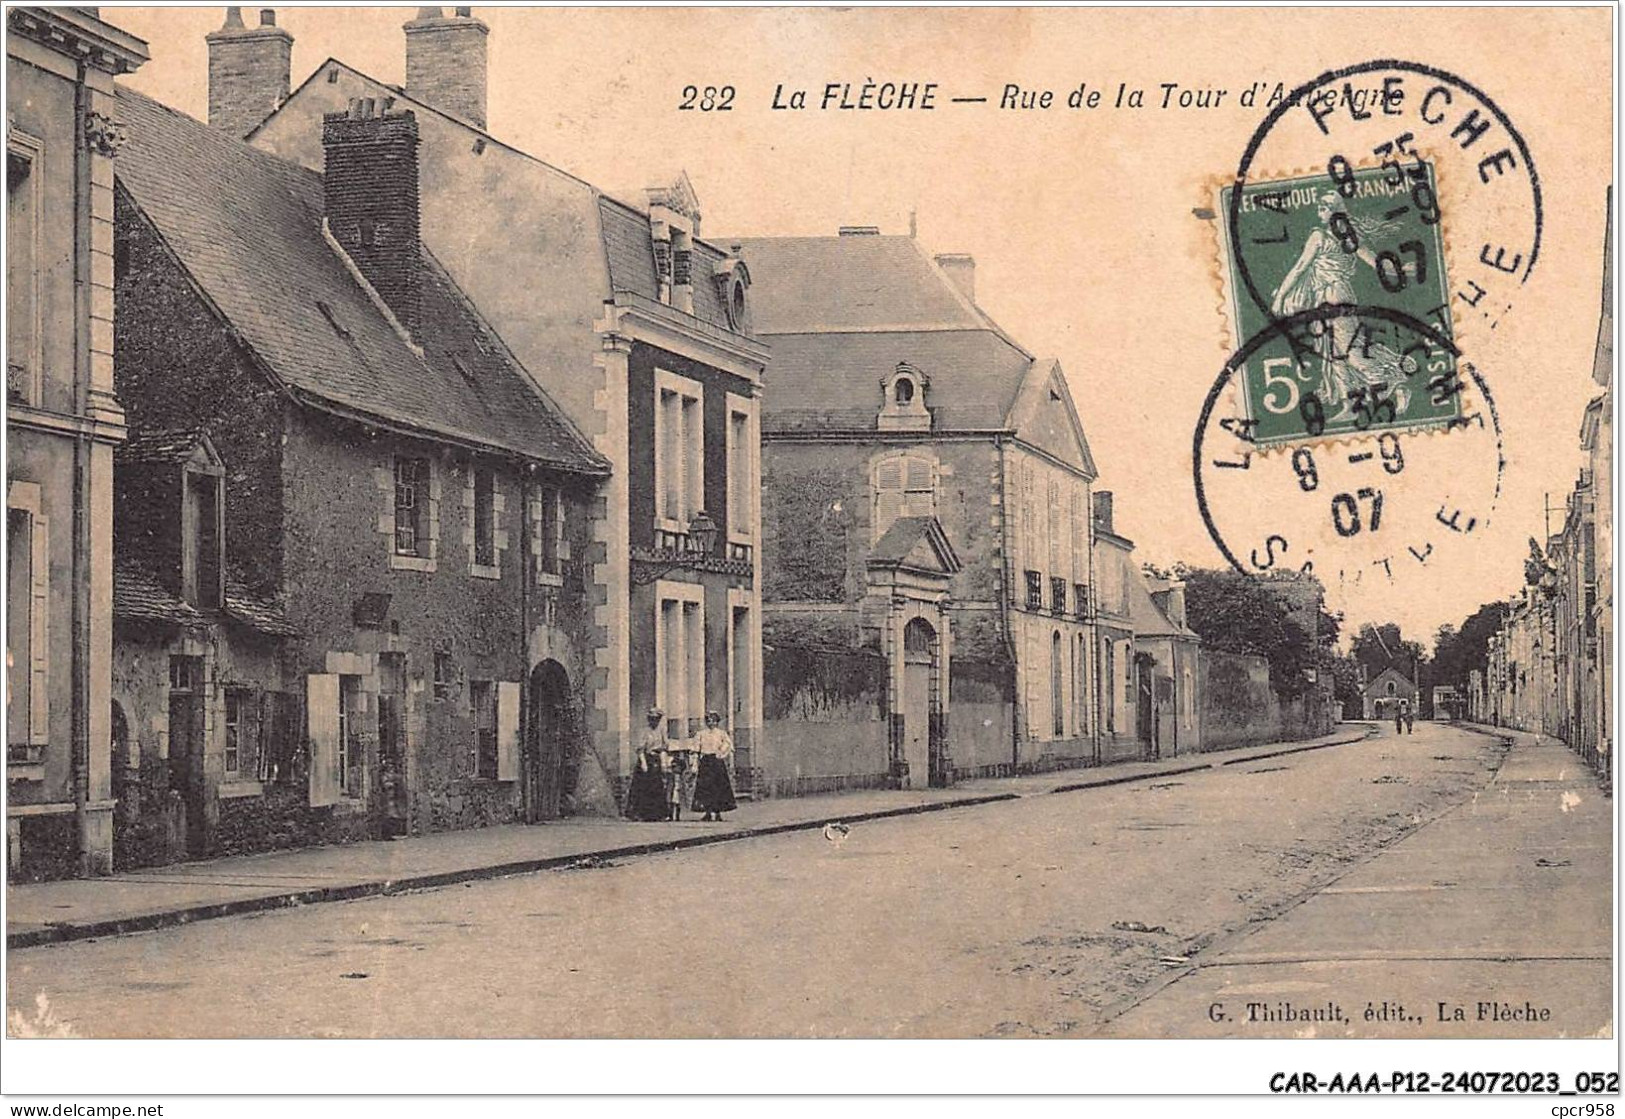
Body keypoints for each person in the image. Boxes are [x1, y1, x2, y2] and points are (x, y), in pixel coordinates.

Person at [691, 711, 738, 822]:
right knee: (706, 788)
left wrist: (721, 753)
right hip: (705, 762)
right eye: (708, 720)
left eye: (713, 720)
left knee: (718, 787)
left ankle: (717, 813)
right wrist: (694, 764)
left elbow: (729, 746)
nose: (711, 722)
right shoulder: (701, 734)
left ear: (717, 722)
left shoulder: (721, 733)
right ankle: (707, 812)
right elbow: (695, 749)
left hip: (717, 762)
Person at [625, 708, 670, 821]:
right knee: (642, 787)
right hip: (646, 759)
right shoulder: (644, 731)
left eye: (656, 719)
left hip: (657, 759)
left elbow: (665, 746)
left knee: (656, 786)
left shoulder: (661, 731)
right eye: (652, 719)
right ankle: (640, 813)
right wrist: (643, 763)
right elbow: (640, 749)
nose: (654, 722)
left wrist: (664, 761)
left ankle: (657, 814)